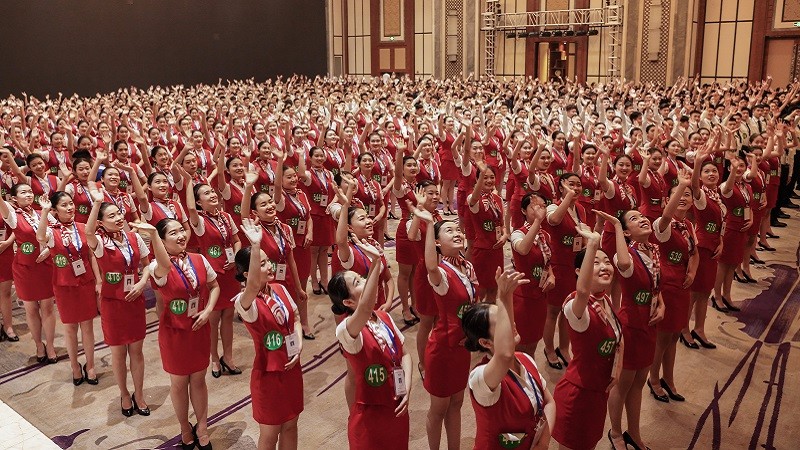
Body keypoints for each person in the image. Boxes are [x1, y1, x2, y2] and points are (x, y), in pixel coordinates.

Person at [329, 238, 412, 450]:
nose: (365, 282)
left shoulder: (383, 316)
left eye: (361, 277)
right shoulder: (346, 329)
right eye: (357, 283)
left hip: (396, 404)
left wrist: (408, 387)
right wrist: (376, 263)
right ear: (347, 302)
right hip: (370, 416)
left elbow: (405, 355)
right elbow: (364, 309)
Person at [463, 266, 556, 450]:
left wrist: (543, 441)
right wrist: (503, 298)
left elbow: (550, 403)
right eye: (502, 323)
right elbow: (504, 355)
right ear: (486, 342)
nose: (512, 324)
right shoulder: (479, 378)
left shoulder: (525, 359)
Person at [235, 217, 305, 449]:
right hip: (268, 376)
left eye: (268, 261)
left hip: (292, 368)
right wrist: (255, 246)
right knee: (270, 434)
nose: (270, 267)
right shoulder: (245, 302)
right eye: (262, 264)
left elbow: (295, 318)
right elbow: (254, 285)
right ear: (247, 274)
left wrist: (299, 343)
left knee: (292, 425)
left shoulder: (280, 289)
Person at [551, 223, 623, 450]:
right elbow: (582, 291)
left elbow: (618, 339)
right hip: (578, 395)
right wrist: (592, 243)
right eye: (595, 263)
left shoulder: (606, 300)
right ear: (579, 273)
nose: (604, 267)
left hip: (598, 392)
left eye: (606, 262)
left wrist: (617, 371)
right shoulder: (575, 306)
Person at [85, 184, 151, 417]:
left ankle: (139, 393)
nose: (119, 217)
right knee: (118, 353)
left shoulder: (134, 237)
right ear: (102, 222)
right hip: (113, 305)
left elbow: (147, 265)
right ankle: (124, 393)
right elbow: (89, 233)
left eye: (119, 212)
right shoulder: (101, 243)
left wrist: (143, 283)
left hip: (135, 301)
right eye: (111, 215)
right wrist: (96, 203)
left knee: (137, 351)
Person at [604, 208, 665, 450]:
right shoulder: (625, 256)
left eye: (642, 216)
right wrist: (618, 228)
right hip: (630, 326)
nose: (642, 219)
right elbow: (624, 264)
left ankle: (634, 433)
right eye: (633, 219)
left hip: (649, 324)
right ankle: (616, 432)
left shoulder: (654, 250)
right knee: (623, 383)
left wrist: (661, 304)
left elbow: (656, 287)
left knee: (639, 382)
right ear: (627, 232)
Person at [415, 209, 475, 450]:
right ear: (437, 243)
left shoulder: (467, 267)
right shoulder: (440, 273)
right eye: (449, 231)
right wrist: (430, 224)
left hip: (463, 347)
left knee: (457, 403)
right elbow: (430, 266)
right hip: (442, 350)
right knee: (438, 408)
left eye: (457, 229)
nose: (457, 233)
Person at [36, 192, 99, 385]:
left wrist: (99, 281)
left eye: (71, 203)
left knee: (88, 327)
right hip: (65, 287)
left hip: (85, 283)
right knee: (70, 329)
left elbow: (91, 256)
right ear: (55, 210)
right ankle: (74, 366)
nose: (70, 208)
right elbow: (39, 237)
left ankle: (90, 365)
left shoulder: (83, 228)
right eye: (64, 205)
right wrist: (45, 212)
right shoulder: (52, 232)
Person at [648, 169, 698, 404]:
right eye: (680, 194)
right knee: (662, 337)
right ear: (669, 200)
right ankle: (654, 379)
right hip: (666, 284)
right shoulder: (662, 224)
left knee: (675, 334)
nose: (685, 198)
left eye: (688, 194)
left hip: (682, 284)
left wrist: (692, 271)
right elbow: (666, 216)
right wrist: (682, 184)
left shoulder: (688, 224)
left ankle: (669, 378)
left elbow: (694, 252)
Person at [185, 180, 243, 377]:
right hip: (213, 276)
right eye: (206, 194)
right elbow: (190, 207)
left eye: (212, 191)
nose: (212, 195)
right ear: (199, 202)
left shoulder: (226, 217)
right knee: (213, 319)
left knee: (228, 316)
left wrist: (236, 257)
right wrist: (189, 181)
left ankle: (228, 356)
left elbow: (236, 240)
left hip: (230, 273)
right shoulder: (199, 222)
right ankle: (214, 359)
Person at [0, 180, 57, 363]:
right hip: (25, 268)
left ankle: (50, 345)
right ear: (14, 199)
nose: (28, 194)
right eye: (23, 192)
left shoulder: (43, 212)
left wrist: (49, 249)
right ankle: (39, 345)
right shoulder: (13, 216)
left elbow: (57, 232)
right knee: (31, 309)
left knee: (48, 308)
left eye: (30, 191)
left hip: (46, 265)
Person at [543, 172, 587, 369]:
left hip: (574, 266)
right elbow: (553, 220)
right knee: (552, 311)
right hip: (557, 265)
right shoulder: (553, 206)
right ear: (561, 187)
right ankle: (549, 349)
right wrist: (567, 197)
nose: (576, 188)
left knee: (567, 310)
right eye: (571, 185)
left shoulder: (581, 209)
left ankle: (564, 347)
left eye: (579, 185)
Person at [509, 192, 554, 356]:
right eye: (535, 206)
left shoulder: (545, 235)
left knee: (534, 342)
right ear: (523, 211)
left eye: (543, 206)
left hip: (540, 295)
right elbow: (523, 249)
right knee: (519, 345)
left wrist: (552, 275)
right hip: (523, 297)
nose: (540, 209)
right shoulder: (518, 233)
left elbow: (547, 261)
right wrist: (537, 222)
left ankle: (530, 376)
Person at [467, 164, 507, 302]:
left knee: (494, 287)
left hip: (497, 249)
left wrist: (505, 235)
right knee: (481, 289)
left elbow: (502, 224)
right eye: (484, 177)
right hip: (482, 251)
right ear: (477, 180)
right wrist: (482, 171)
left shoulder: (497, 199)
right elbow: (473, 200)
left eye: (492, 177)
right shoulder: (474, 199)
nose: (489, 180)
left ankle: (490, 316)